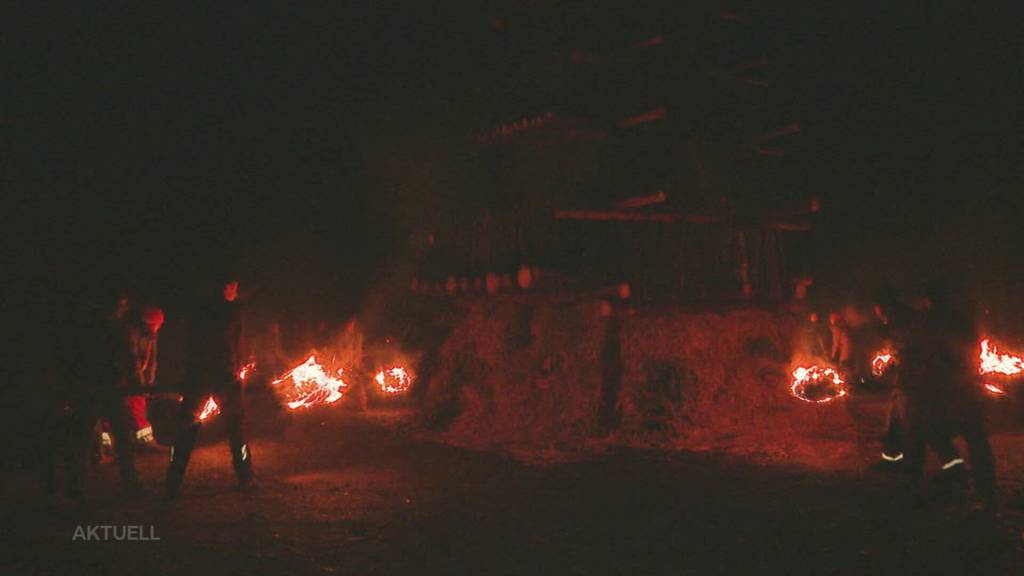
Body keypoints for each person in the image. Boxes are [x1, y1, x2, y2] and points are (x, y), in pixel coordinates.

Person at [901, 280, 995, 509]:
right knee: (973, 438)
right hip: (963, 389)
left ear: (929, 301)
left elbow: (922, 354)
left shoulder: (929, 323)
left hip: (947, 390)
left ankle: (965, 476)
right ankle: (982, 488)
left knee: (937, 432)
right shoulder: (961, 321)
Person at [165, 277, 254, 500]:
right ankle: (246, 477)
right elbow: (236, 344)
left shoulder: (198, 311)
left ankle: (172, 482)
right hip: (222, 376)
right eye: (232, 285)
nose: (233, 289)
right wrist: (237, 368)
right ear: (228, 288)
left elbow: (190, 344)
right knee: (236, 429)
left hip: (199, 376)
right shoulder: (233, 312)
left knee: (186, 429)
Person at [126, 305, 163, 450]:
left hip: (137, 376)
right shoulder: (131, 333)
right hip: (125, 375)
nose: (158, 327)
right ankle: (143, 442)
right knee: (132, 405)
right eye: (155, 325)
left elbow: (152, 360)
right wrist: (140, 383)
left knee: (137, 405)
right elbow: (132, 359)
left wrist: (149, 382)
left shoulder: (152, 336)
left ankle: (139, 441)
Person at [335, 318, 367, 411]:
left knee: (358, 385)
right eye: (349, 323)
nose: (350, 325)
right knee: (346, 386)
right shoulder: (342, 336)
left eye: (352, 323)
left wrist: (358, 363)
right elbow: (339, 349)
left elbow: (358, 350)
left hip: (354, 365)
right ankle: (348, 405)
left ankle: (361, 405)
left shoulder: (358, 336)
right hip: (345, 364)